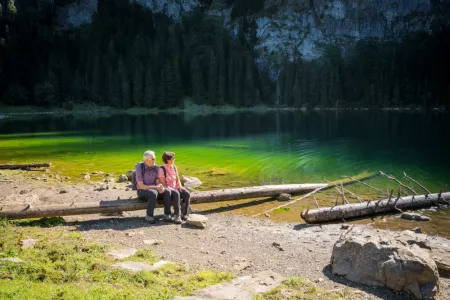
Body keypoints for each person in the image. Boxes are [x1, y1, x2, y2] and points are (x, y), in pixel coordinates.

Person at [135, 150, 181, 224]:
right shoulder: (140, 167)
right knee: (153, 193)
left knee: (167, 191)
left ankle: (167, 214)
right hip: (142, 191)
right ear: (146, 160)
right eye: (153, 159)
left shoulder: (156, 167)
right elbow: (141, 186)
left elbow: (157, 181)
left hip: (154, 189)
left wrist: (160, 185)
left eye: (155, 158)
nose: (155, 160)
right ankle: (149, 216)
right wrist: (156, 187)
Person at [158, 151, 191, 221]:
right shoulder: (161, 169)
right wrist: (174, 190)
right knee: (176, 193)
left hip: (175, 187)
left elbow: (177, 179)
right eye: (173, 158)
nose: (174, 159)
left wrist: (180, 187)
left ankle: (184, 214)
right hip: (168, 190)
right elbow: (163, 184)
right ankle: (177, 216)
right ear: (168, 160)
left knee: (186, 193)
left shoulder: (174, 167)